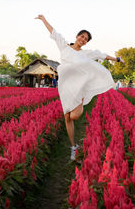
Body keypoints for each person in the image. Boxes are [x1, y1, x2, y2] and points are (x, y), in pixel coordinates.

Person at [35, 14, 124, 160]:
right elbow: (54, 33)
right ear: (77, 36)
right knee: (67, 118)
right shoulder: (64, 46)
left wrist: (118, 59)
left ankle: (82, 97)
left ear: (86, 42)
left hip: (78, 86)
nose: (82, 40)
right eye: (81, 36)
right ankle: (73, 146)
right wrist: (43, 19)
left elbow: (101, 55)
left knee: (74, 115)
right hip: (65, 86)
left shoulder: (86, 53)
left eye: (85, 39)